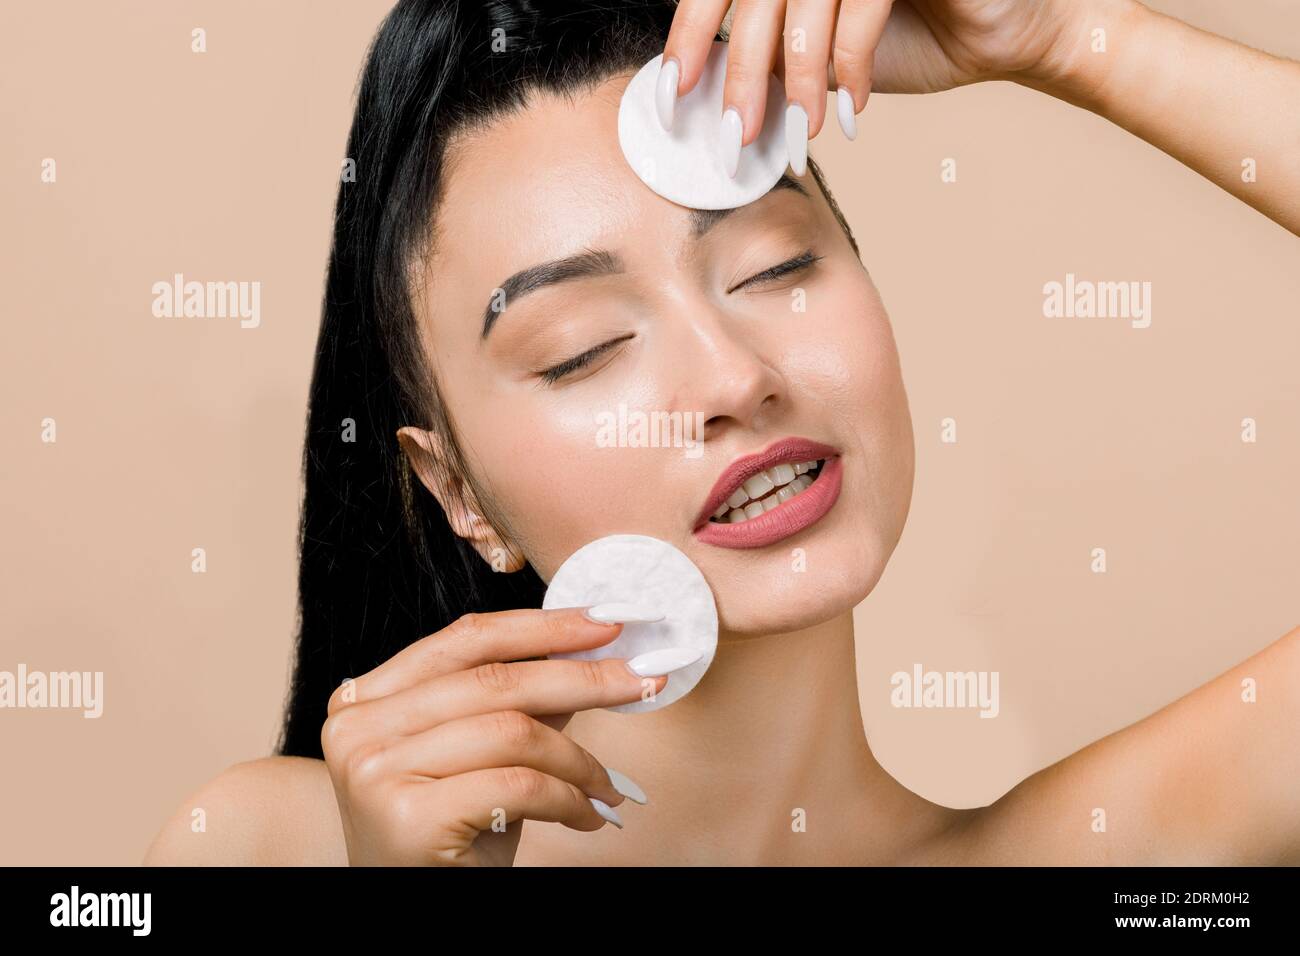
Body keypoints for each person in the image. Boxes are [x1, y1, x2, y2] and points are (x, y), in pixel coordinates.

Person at [144, 0, 1300, 866]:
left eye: (775, 264)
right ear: (459, 494)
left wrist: (1062, 36)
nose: (734, 377)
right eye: (583, 347)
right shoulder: (274, 847)